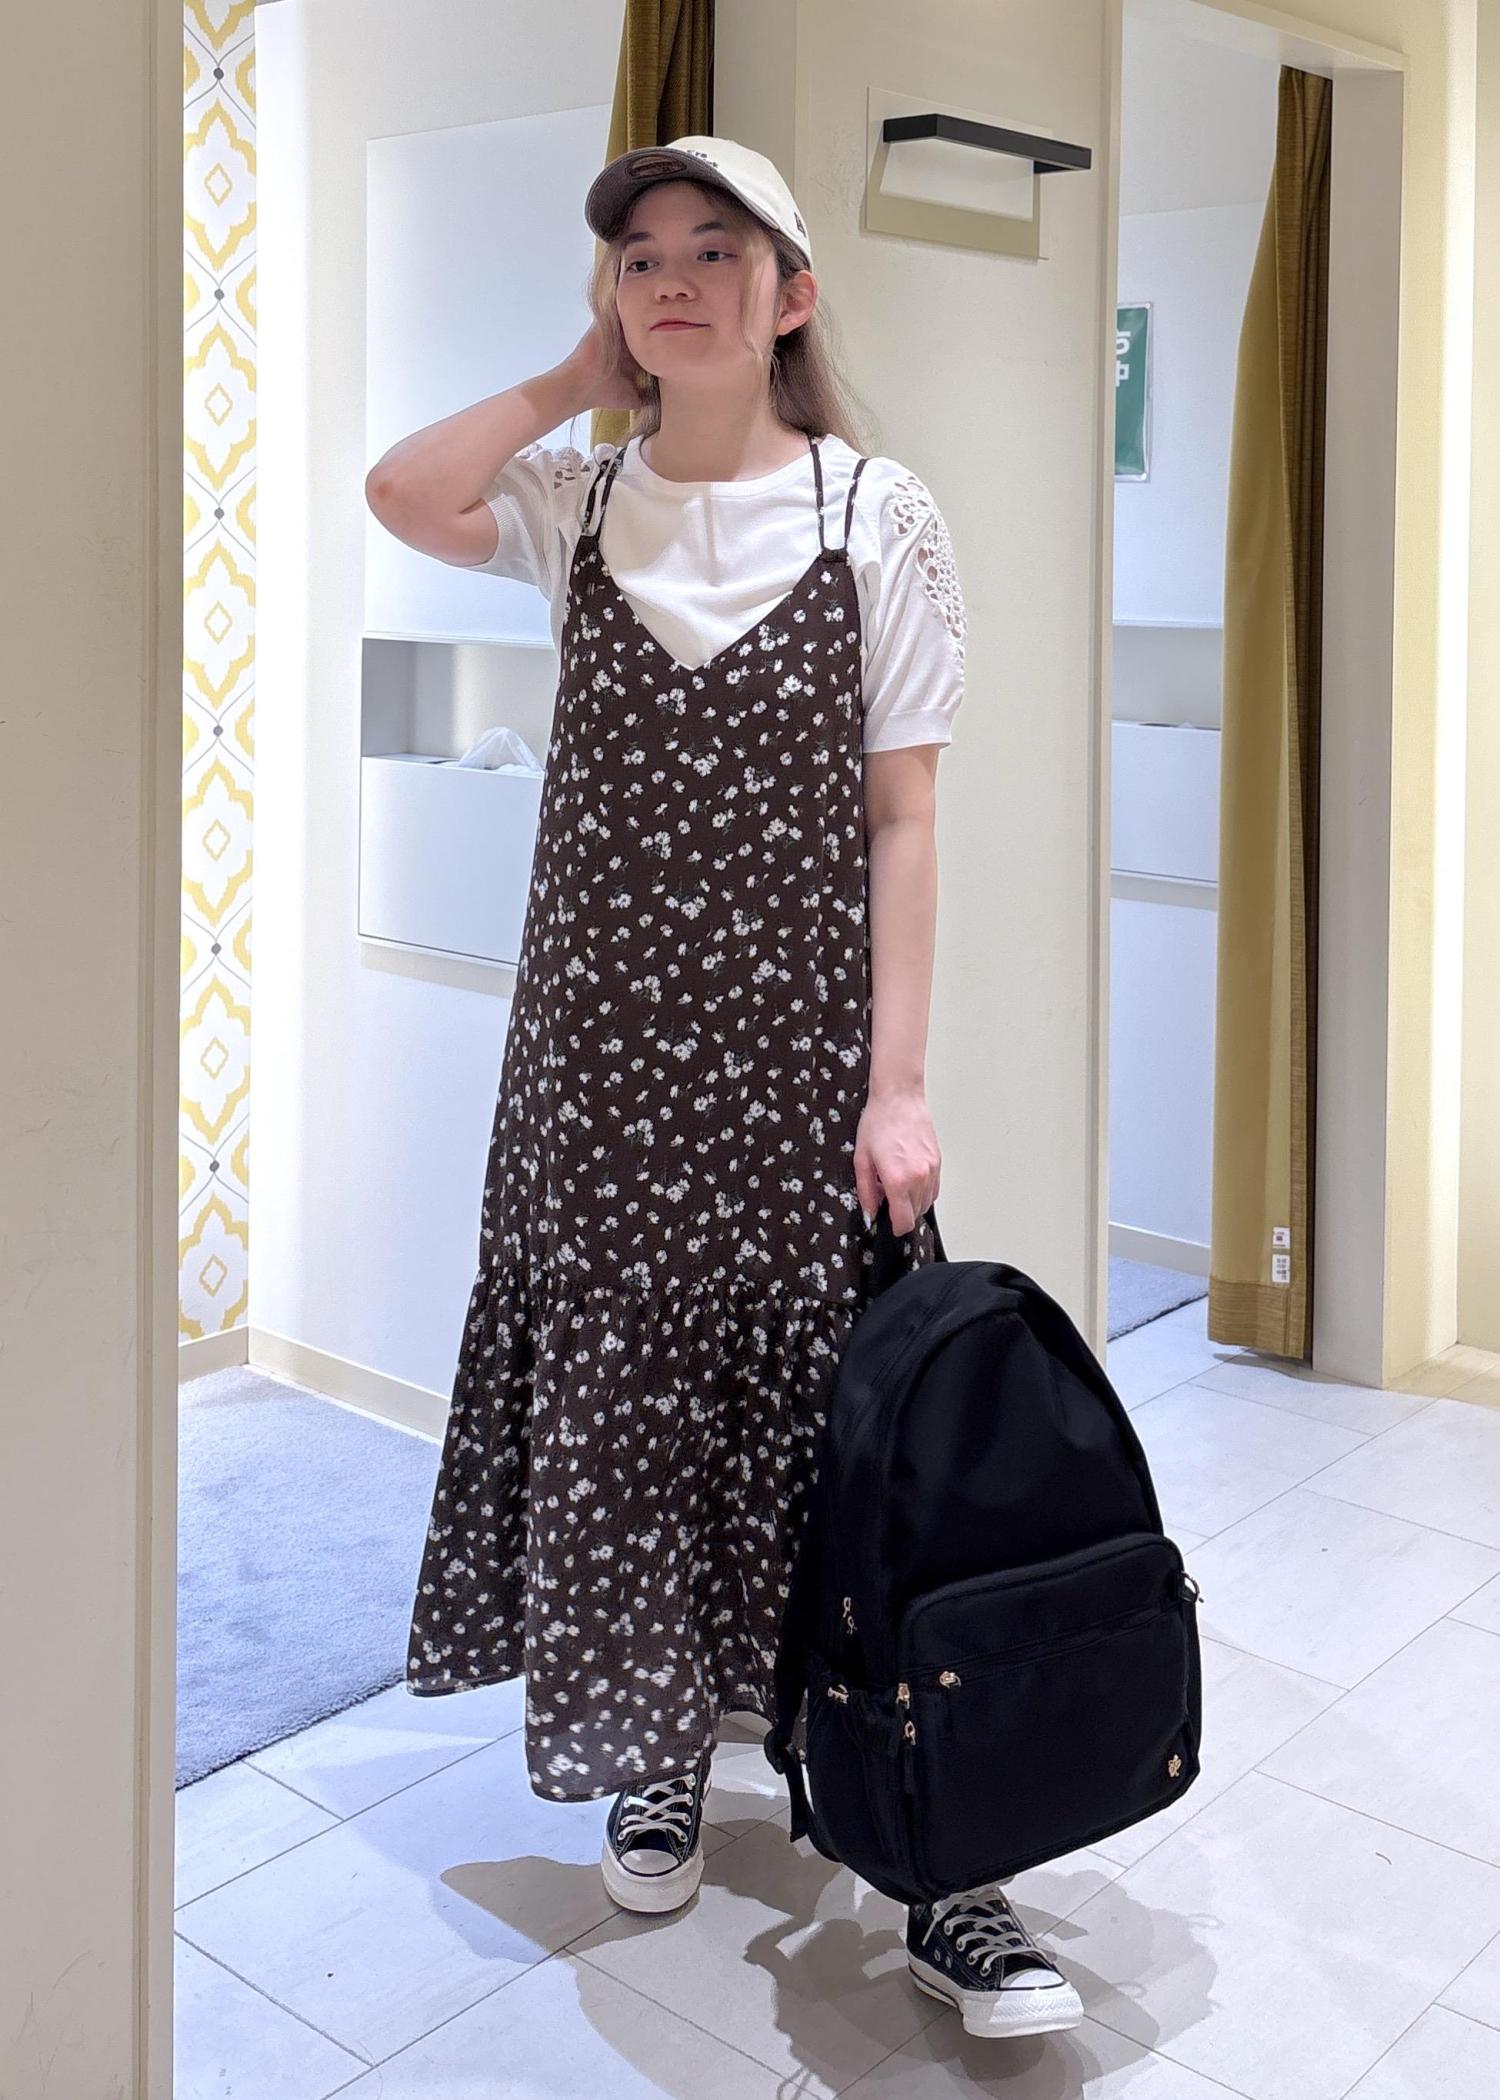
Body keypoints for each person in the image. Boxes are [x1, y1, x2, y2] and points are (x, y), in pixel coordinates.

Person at [365, 134, 1082, 2042]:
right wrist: (566, 379)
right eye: (638, 258)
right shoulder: (577, 497)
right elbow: (402, 489)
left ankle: (945, 1859)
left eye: (713, 250)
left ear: (793, 294)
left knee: (870, 1450)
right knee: (628, 1416)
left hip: (797, 1078)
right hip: (598, 1075)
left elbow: (906, 816)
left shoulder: (873, 512)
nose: (671, 280)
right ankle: (660, 1749)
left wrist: (899, 1086)